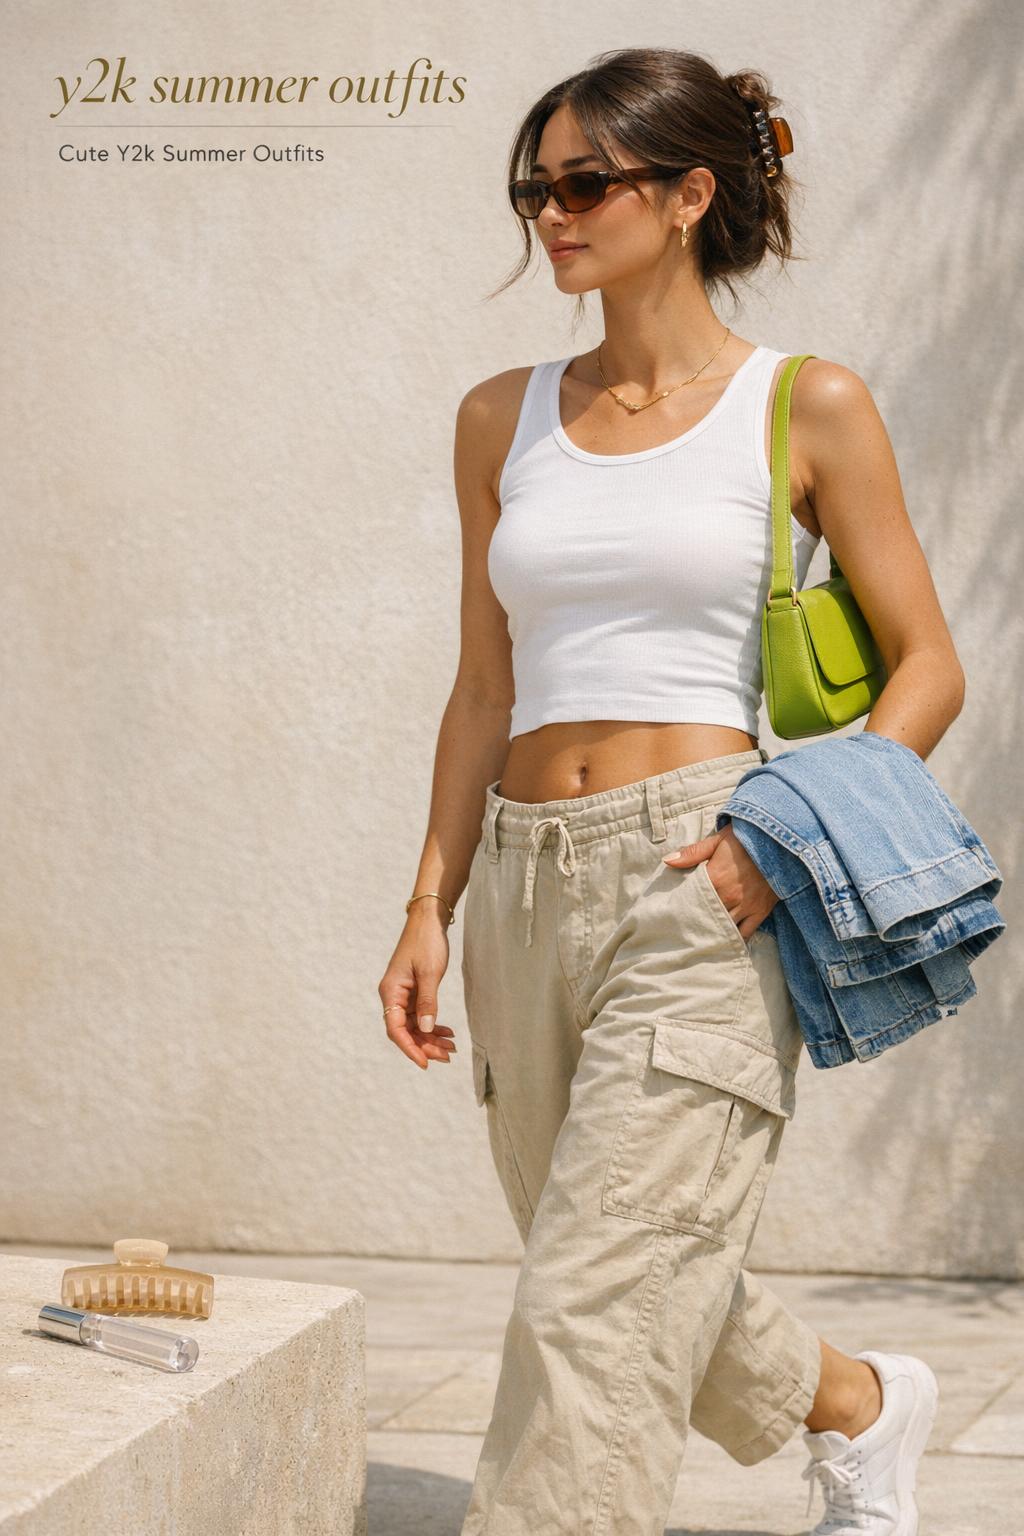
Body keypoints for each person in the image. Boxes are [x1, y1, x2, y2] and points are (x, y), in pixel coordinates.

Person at [377, 46, 960, 1536]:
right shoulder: (497, 418)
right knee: (618, 1264)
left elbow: (927, 670)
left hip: (706, 868)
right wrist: (428, 901)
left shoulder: (804, 405)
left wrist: (780, 845)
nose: (551, 214)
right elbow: (484, 685)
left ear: (691, 193)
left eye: (584, 182)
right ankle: (864, 1410)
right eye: (535, 187)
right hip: (521, 880)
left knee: (592, 1303)